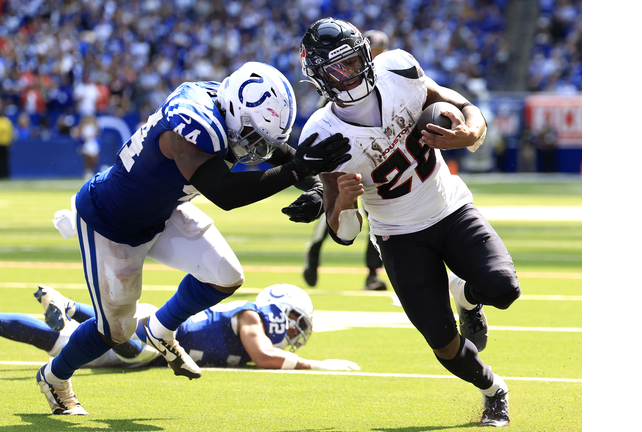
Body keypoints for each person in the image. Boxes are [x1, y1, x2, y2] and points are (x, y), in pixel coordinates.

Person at [37, 61, 351, 415]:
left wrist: (313, 186)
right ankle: (54, 377)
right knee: (116, 332)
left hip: (162, 210)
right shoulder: (193, 123)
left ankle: (160, 329)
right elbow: (224, 192)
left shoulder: (232, 109)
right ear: (236, 112)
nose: (256, 147)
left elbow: (278, 149)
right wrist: (299, 170)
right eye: (253, 135)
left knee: (226, 275)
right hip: (112, 223)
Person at [284, 18, 521, 427]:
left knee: (504, 289)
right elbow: (344, 233)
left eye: (352, 60)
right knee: (443, 342)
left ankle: (466, 296)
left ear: (366, 53)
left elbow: (463, 106)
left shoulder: (398, 70)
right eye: (336, 68)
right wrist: (343, 202)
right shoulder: (321, 133)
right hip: (398, 236)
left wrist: (470, 134)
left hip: (450, 207)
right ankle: (493, 390)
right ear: (319, 78)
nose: (349, 72)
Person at [0, 285, 359, 378]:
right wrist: (317, 365)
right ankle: (69, 307)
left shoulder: (251, 321)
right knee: (130, 346)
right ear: (279, 309)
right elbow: (266, 356)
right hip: (153, 333)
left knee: (58, 343)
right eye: (295, 321)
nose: (294, 332)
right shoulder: (250, 316)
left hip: (147, 346)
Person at [295, 29, 391, 292]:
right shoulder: (338, 87)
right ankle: (315, 249)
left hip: (379, 155)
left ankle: (372, 273)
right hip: (346, 155)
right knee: (338, 203)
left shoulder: (388, 82)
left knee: (376, 214)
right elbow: (322, 124)